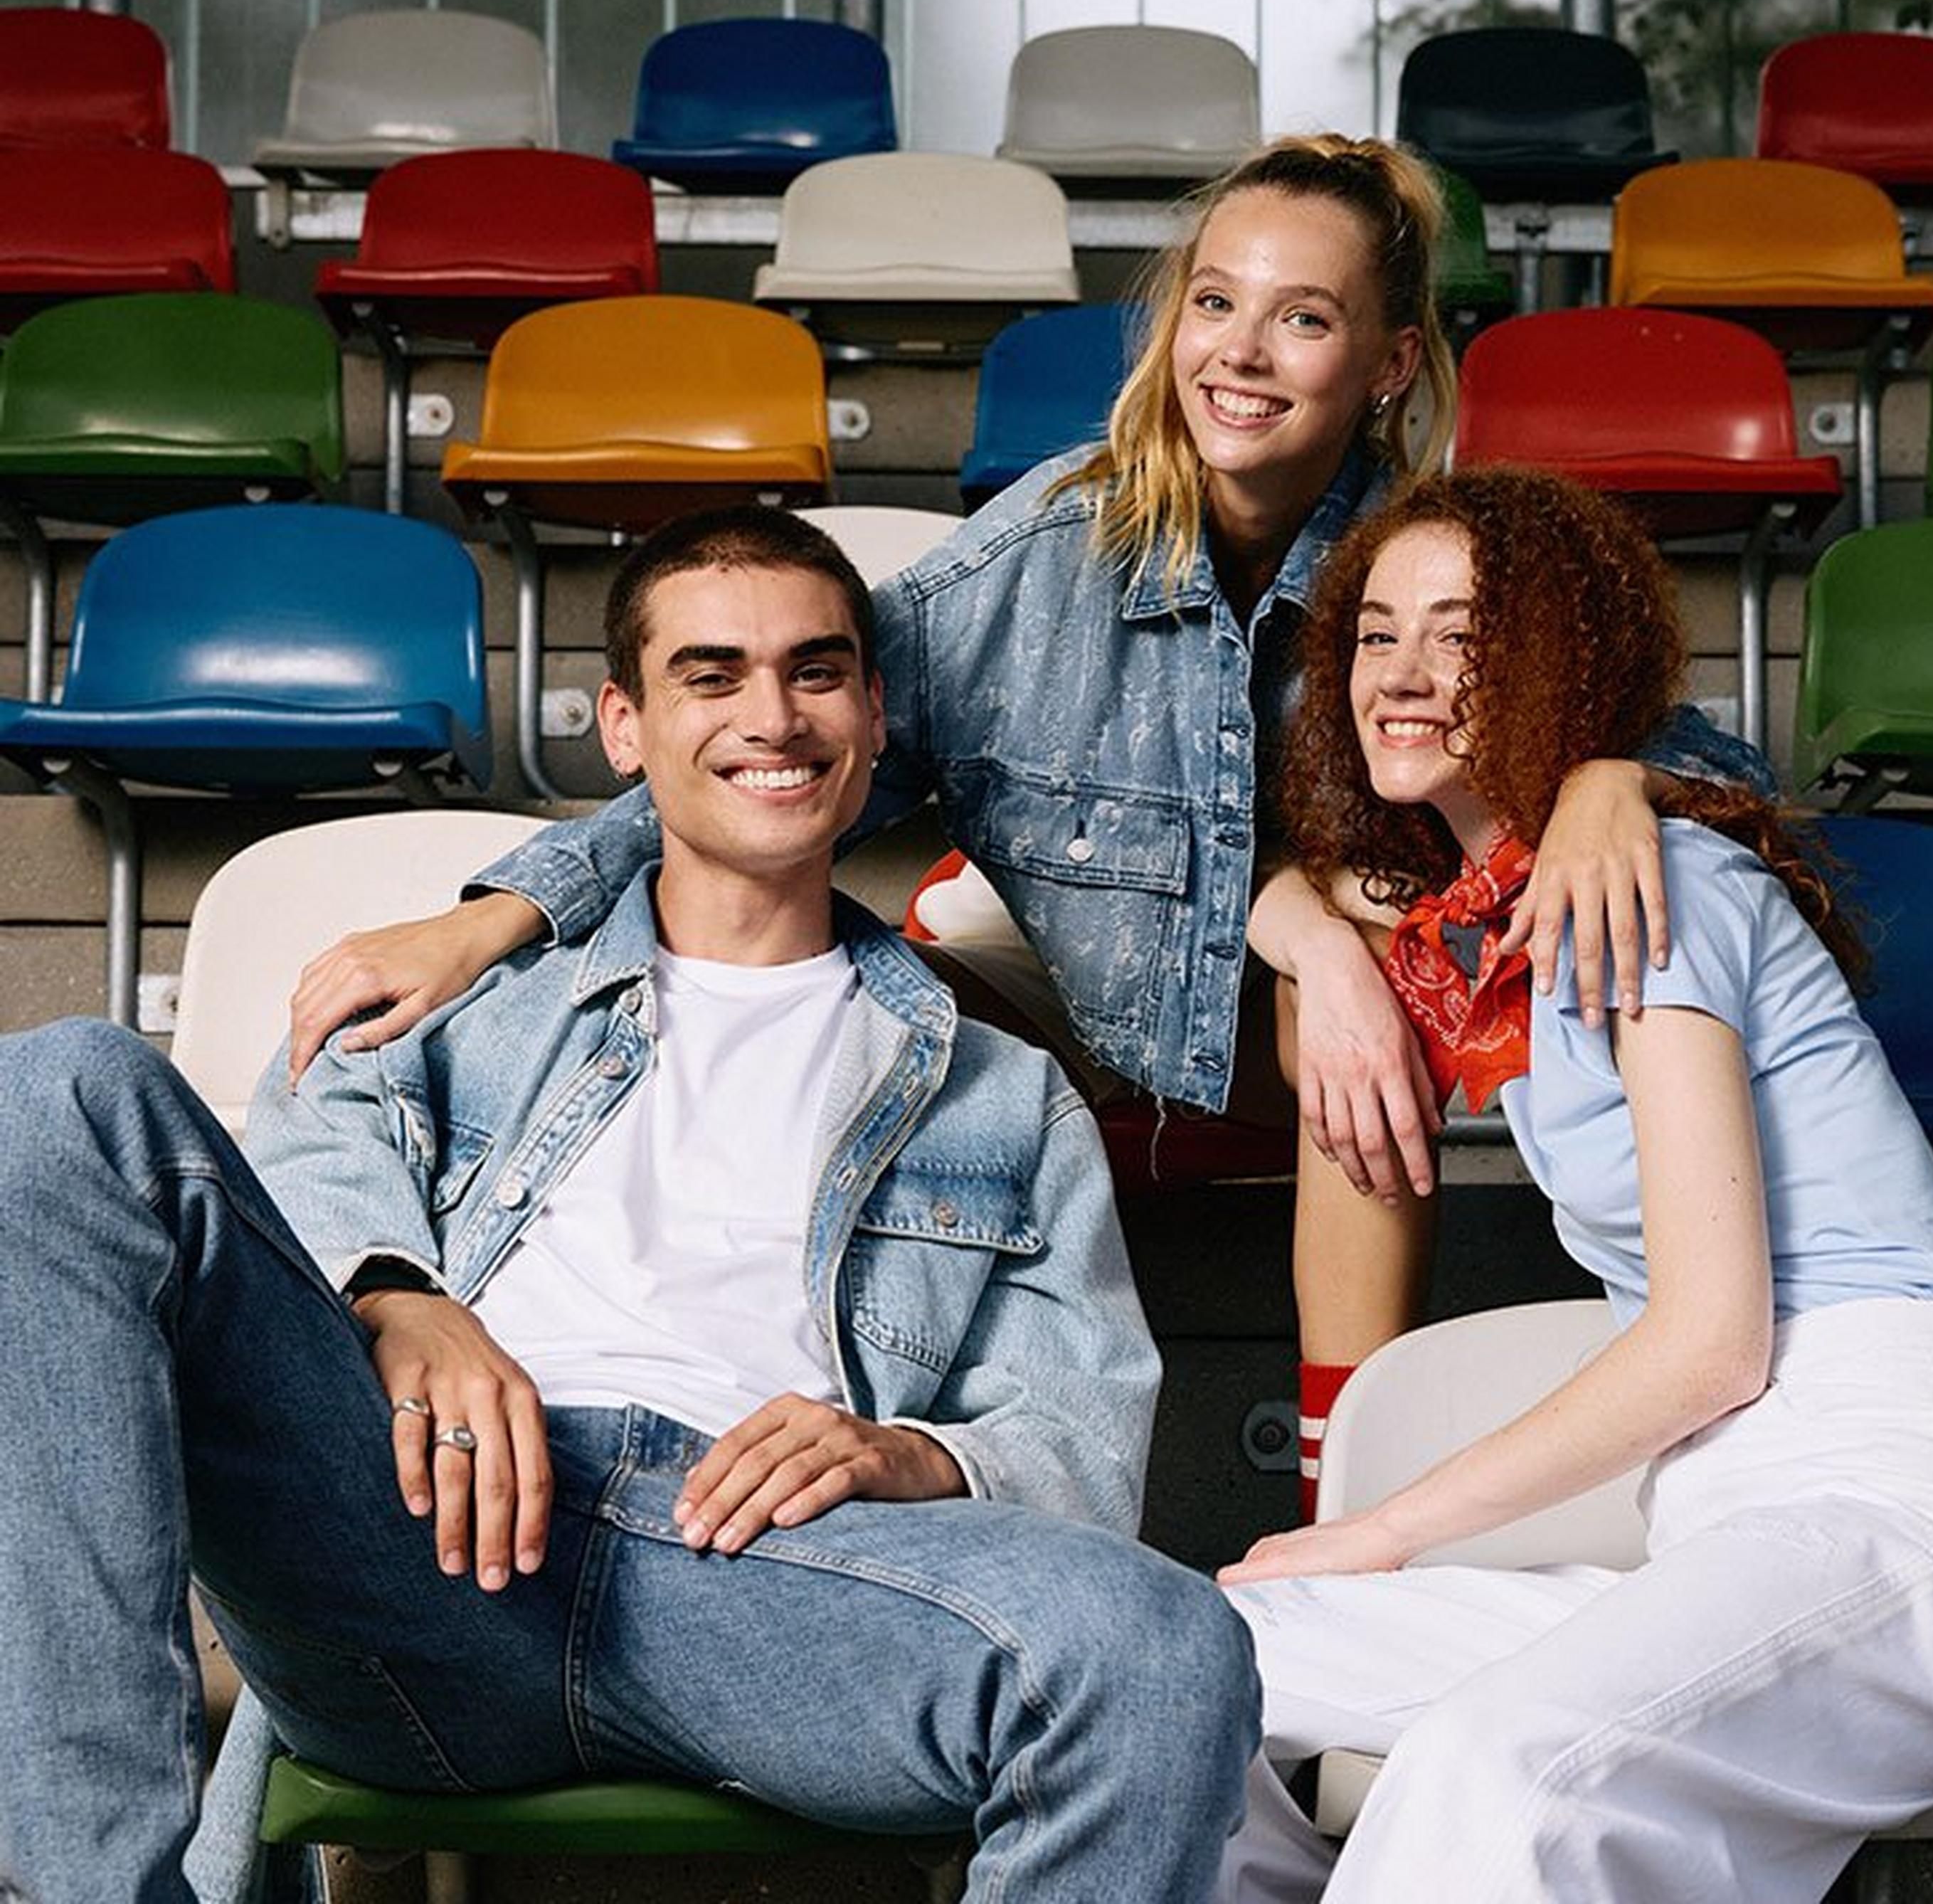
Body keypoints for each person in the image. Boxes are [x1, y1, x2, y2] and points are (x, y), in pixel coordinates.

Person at [285, 134, 1757, 1512]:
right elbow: (754, 754)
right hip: (1082, 1002)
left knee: (1352, 987)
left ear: (1390, 364)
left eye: (1303, 319)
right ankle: (787, 1377)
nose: (1240, 354)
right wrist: (494, 918)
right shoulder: (1040, 562)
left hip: (1328, 1038)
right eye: (1214, 304)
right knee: (829, 980)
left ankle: (1344, 1488)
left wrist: (1607, 783)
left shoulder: (1440, 559)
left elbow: (1718, 769)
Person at [0, 507, 1261, 1904]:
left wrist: (905, 1454)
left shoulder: (1001, 1098)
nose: (771, 717)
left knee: (1166, 1648)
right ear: (624, 727)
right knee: (59, 1089)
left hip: (770, 1570)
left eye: (816, 671)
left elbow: (1080, 1448)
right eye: (712, 676)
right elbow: (299, 1182)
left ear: (873, 715)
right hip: (418, 1537)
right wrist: (398, 1296)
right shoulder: (459, 1000)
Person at [1212, 465, 1933, 1903]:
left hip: (1905, 1505)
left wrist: (1382, 1533)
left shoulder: (1657, 885)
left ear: (1556, 664)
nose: (1402, 675)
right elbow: (1204, 879)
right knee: (1174, 1660)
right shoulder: (1497, 917)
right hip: (1717, 1532)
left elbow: (1711, 1346)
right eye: (1377, 634)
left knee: (1503, 1768)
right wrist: (1311, 938)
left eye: (1463, 638)